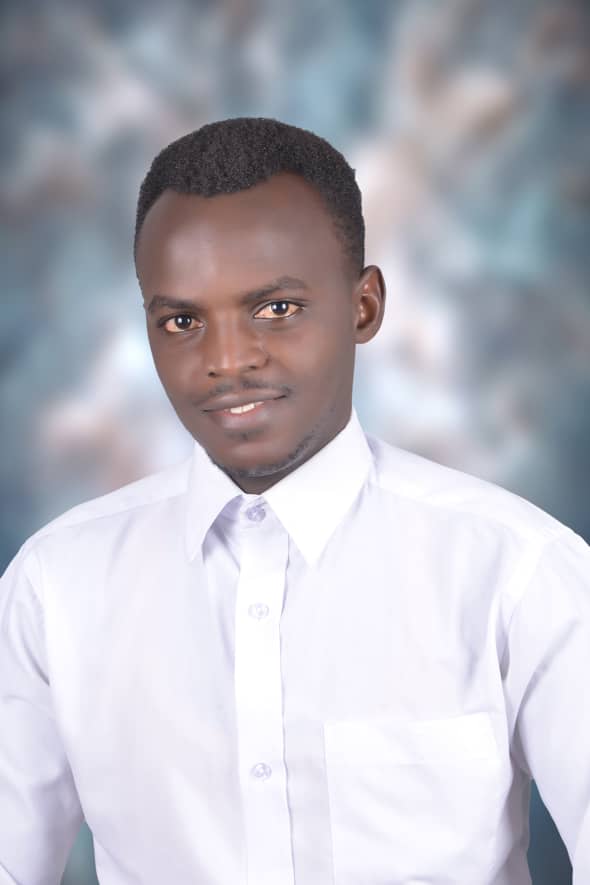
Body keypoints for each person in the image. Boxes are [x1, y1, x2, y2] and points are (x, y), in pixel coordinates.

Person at [0, 117, 588, 885]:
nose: (226, 360)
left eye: (275, 308)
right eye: (182, 320)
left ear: (364, 307)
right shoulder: (55, 587)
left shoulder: (518, 573)